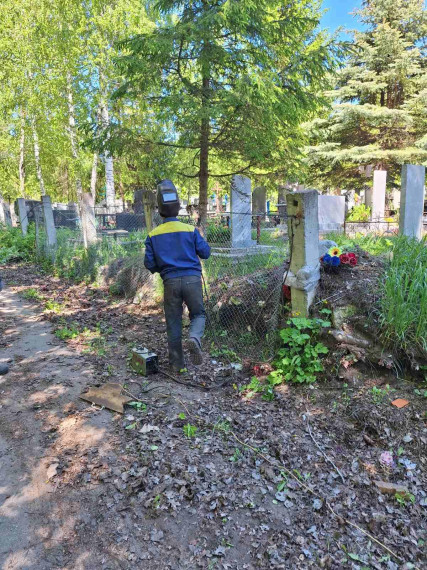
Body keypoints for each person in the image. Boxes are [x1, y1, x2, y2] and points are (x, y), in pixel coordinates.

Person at [144, 180, 211, 372]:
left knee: (173, 322)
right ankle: (194, 338)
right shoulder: (190, 230)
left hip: (170, 282)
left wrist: (164, 267)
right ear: (179, 206)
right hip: (192, 280)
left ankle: (177, 365)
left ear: (159, 209)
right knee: (198, 314)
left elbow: (149, 263)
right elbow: (205, 252)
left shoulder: (153, 234)